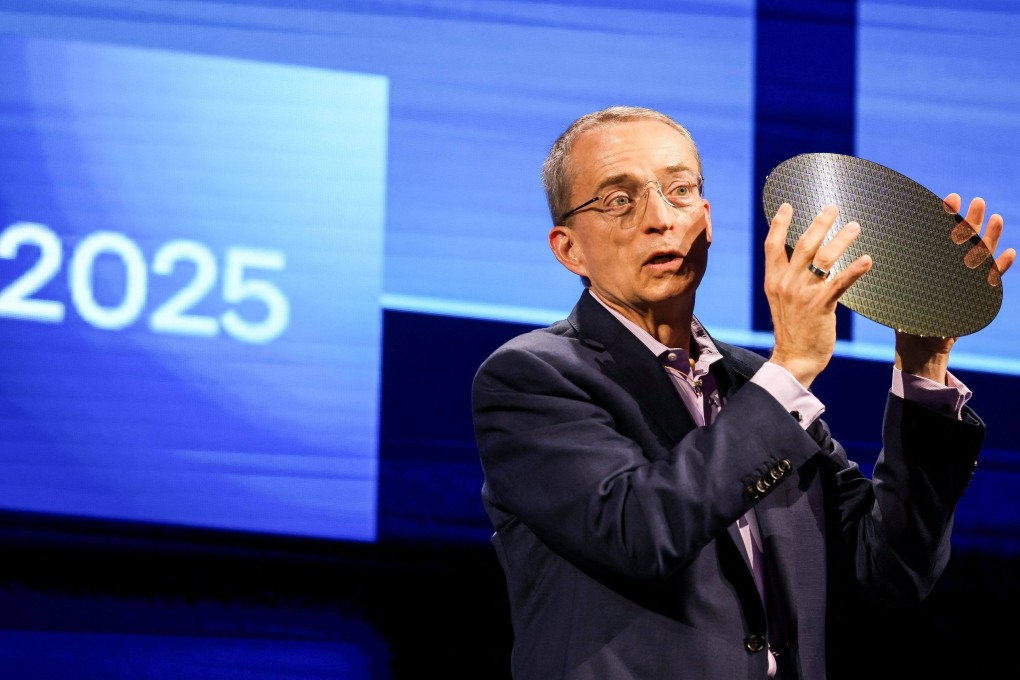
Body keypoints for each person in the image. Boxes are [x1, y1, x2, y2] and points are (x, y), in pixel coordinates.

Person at [470, 105, 1015, 679]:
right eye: (619, 200)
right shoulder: (531, 378)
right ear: (568, 248)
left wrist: (921, 366)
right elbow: (639, 534)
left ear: (705, 218)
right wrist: (793, 366)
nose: (660, 218)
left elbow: (890, 573)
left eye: (679, 190)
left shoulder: (757, 386)